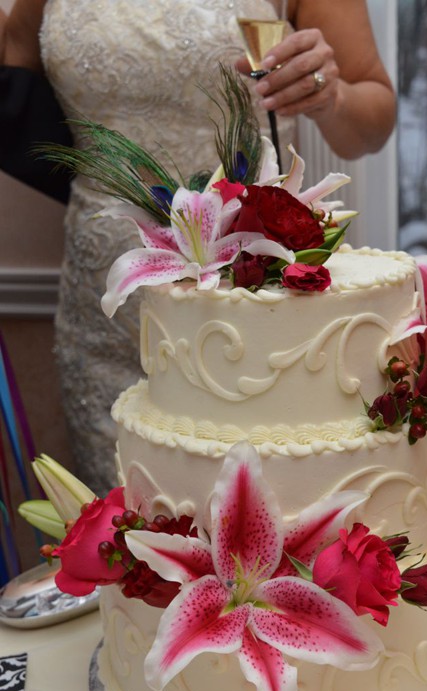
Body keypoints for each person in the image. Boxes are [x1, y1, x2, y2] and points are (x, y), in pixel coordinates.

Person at [1, 0, 395, 495]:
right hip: (106, 310)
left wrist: (329, 95)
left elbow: (374, 119)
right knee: (132, 548)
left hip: (259, 313)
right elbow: (14, 65)